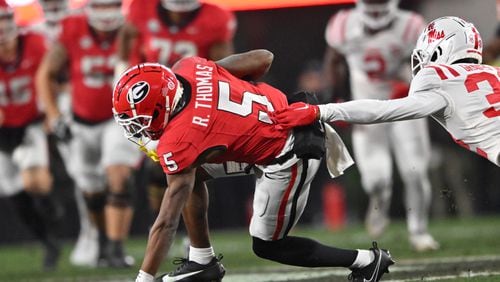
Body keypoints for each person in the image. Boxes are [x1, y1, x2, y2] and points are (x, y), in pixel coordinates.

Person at [112, 49, 395, 282]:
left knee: (268, 246)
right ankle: (202, 261)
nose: (138, 129)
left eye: (139, 121)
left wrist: (144, 278)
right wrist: (215, 79)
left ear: (163, 106)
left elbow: (166, 222)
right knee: (190, 171)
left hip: (287, 153)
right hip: (281, 120)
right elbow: (265, 57)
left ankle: (366, 260)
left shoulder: (181, 141)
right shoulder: (188, 66)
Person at [270, 17, 499, 166]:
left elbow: (383, 110)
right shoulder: (492, 72)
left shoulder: (436, 78)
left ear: (440, 49)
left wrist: (320, 111)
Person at [323, 0, 438, 251]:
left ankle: (419, 231)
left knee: (416, 172)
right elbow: (333, 62)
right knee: (376, 180)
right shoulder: (343, 24)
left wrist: (414, 83)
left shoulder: (411, 25)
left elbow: (429, 64)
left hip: (405, 106)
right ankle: (379, 199)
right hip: (367, 107)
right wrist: (336, 99)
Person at [36, 0, 141, 268]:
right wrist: (54, 115)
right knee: (91, 190)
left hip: (118, 118)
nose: (107, 12)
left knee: (119, 175)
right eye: (101, 5)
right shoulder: (73, 27)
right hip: (80, 122)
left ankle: (117, 249)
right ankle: (104, 242)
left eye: (112, 5)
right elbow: (45, 74)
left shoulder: (132, 29)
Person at [115, 0, 237, 219]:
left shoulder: (215, 18)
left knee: (194, 170)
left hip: (192, 102)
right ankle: (159, 219)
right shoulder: (140, 8)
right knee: (154, 170)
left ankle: (191, 233)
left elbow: (223, 70)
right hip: (148, 102)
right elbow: (126, 42)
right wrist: (124, 74)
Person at [0, 0, 61, 270]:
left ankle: (49, 203)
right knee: (12, 189)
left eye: (5, 20)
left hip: (28, 124)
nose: (2, 28)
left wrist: (51, 111)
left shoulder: (35, 43)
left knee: (35, 182)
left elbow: (52, 77)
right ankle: (46, 241)